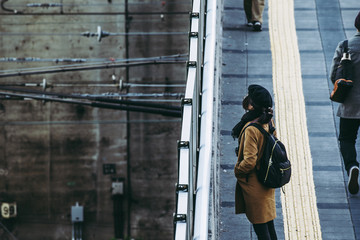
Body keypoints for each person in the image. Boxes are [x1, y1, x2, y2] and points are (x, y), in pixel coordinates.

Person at [233, 85, 277, 240]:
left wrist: (237, 170)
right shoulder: (268, 122)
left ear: (251, 105)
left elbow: (250, 161)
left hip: (255, 184)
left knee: (261, 229)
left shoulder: (252, 128)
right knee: (269, 225)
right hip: (266, 179)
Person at [330, 11, 360, 195]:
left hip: (350, 104)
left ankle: (352, 166)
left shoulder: (345, 46)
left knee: (347, 139)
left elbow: (334, 75)